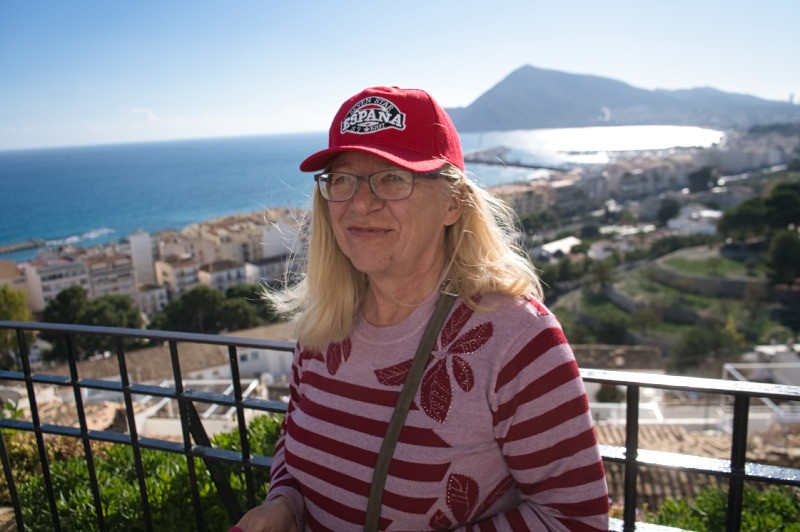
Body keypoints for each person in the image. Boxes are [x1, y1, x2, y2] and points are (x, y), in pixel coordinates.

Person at [232, 86, 609, 531]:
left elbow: (576, 519)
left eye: (393, 178)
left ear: (453, 202)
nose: (360, 202)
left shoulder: (517, 339)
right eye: (342, 179)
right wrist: (284, 504)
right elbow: (293, 449)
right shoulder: (322, 329)